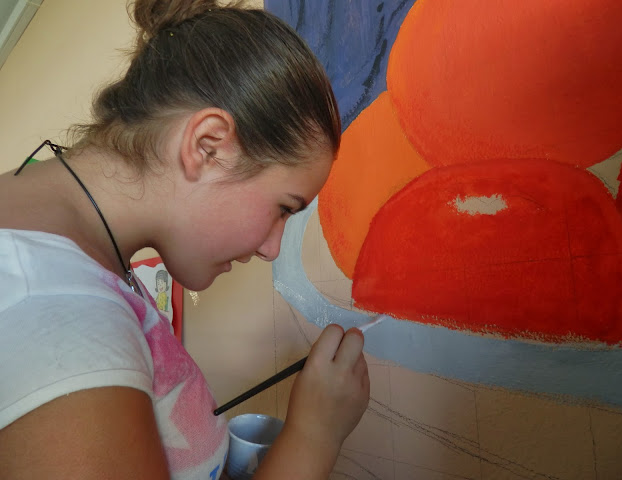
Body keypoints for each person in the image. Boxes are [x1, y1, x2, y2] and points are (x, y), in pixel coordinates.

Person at [0, 1, 370, 479]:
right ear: (207, 146)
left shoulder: (72, 252)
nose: (271, 248)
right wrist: (315, 436)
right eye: (283, 208)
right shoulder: (57, 314)